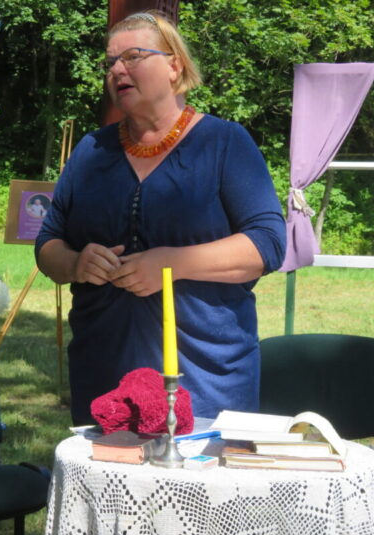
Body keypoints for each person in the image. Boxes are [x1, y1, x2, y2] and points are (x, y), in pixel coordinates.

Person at [35, 10, 286, 425]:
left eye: (132, 56)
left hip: (206, 377)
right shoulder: (91, 152)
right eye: (110, 62)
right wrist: (77, 263)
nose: (117, 70)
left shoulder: (224, 144)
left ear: (174, 66)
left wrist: (172, 263)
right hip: (105, 376)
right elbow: (48, 244)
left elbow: (268, 243)